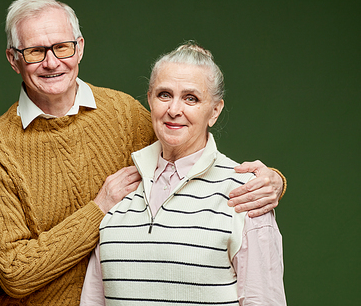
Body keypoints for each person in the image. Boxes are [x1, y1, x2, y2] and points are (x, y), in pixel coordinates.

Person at [0, 0, 286, 306]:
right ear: (14, 59)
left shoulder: (122, 113)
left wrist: (272, 181)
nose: (52, 62)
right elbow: (13, 273)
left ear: (79, 47)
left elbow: (189, 147)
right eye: (35, 51)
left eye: (62, 47)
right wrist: (98, 210)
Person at [80, 43, 286, 305]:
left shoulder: (247, 193)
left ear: (214, 111)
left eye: (191, 98)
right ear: (150, 100)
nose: (174, 110)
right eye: (164, 95)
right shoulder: (118, 192)